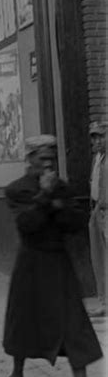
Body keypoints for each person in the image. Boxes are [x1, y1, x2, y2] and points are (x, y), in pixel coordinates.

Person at [3, 134, 102, 377]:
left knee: (75, 329)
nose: (48, 163)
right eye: (42, 158)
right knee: (25, 325)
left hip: (59, 265)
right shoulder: (16, 190)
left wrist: (57, 203)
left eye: (51, 158)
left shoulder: (63, 187)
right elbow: (27, 225)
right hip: (31, 266)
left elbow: (74, 224)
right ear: (29, 159)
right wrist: (47, 199)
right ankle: (17, 376)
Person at [88, 121, 107, 316]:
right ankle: (104, 301)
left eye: (101, 136)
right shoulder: (97, 158)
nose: (97, 140)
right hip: (96, 211)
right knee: (99, 259)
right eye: (94, 137)